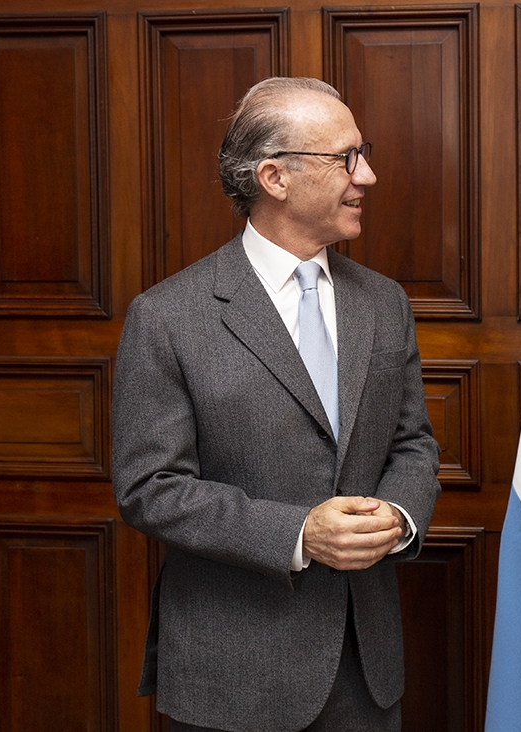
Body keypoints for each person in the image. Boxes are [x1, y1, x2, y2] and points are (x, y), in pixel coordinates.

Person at [112, 77, 441, 732]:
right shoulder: (168, 317)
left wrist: (398, 517)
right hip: (232, 675)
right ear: (274, 177)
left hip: (363, 669)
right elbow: (150, 487)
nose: (367, 175)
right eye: (347, 158)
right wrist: (299, 534)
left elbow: (413, 443)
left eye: (363, 153)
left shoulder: (384, 302)